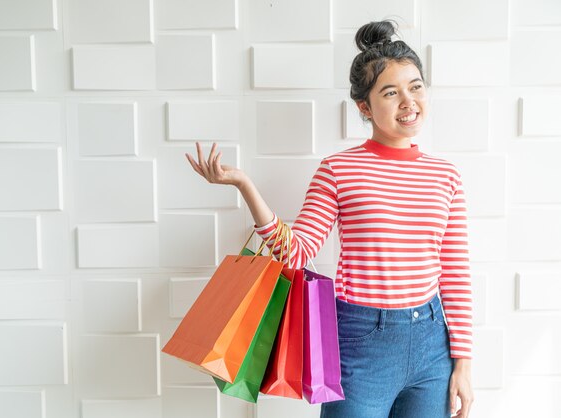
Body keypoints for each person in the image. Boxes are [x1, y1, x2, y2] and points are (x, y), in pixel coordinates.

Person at [186, 19, 473, 418]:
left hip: (431, 343)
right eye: (391, 92)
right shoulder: (339, 170)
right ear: (364, 106)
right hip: (360, 341)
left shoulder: (446, 176)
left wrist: (463, 363)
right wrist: (243, 184)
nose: (408, 101)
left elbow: (455, 271)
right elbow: (297, 253)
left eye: (416, 86)